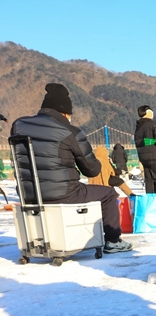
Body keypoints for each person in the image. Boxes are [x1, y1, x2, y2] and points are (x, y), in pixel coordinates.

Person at [11, 83, 132, 254]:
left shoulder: (19, 125)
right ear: (66, 112)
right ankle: (113, 241)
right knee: (108, 193)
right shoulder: (70, 131)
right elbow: (91, 171)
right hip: (64, 193)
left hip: (27, 194)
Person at [135, 105, 156, 193]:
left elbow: (139, 143)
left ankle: (150, 202)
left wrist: (150, 141)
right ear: (149, 113)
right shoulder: (154, 125)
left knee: (149, 181)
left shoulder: (138, 128)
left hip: (144, 159)